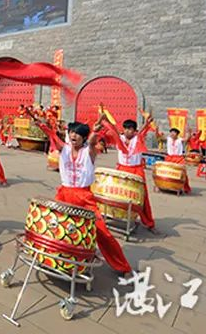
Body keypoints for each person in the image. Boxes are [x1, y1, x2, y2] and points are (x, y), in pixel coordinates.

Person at [32, 113, 132, 274]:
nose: (73, 135)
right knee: (53, 225)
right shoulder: (63, 148)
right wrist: (42, 125)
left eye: (77, 133)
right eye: (71, 132)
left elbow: (92, 141)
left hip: (84, 197)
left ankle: (122, 265)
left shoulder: (89, 151)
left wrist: (97, 129)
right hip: (64, 194)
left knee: (102, 232)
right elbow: (51, 134)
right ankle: (50, 258)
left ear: (84, 137)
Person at [104, 117, 157, 232]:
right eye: (126, 129)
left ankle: (149, 223)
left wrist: (147, 123)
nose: (128, 131)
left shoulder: (139, 139)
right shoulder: (120, 138)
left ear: (135, 131)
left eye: (131, 129)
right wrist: (104, 121)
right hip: (122, 169)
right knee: (116, 193)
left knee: (142, 198)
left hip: (136, 170)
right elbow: (111, 130)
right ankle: (113, 215)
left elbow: (143, 131)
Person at [162, 127, 192, 193]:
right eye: (171, 132)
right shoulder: (168, 139)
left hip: (178, 158)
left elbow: (187, 139)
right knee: (166, 171)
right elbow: (160, 137)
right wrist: (156, 131)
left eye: (174, 132)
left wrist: (189, 132)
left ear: (177, 134)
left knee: (182, 173)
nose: (172, 134)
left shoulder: (180, 140)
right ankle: (165, 184)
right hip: (169, 158)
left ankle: (185, 187)